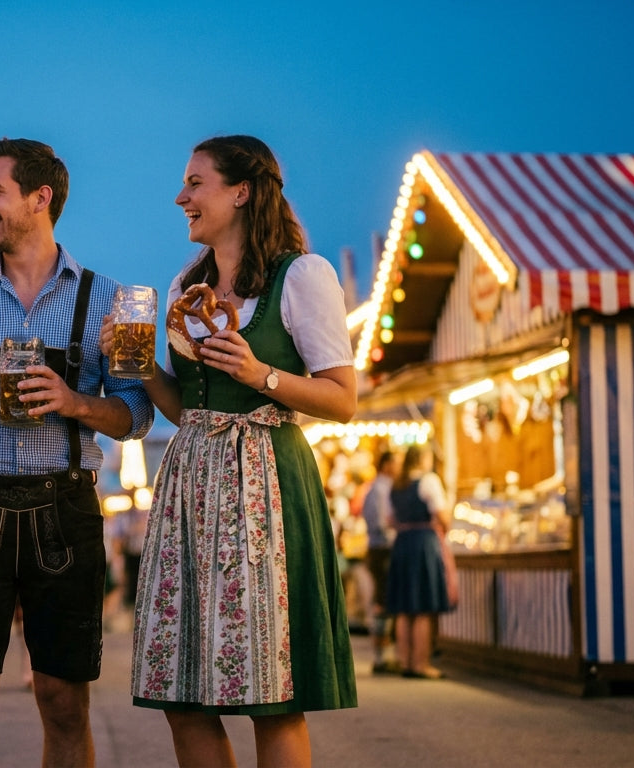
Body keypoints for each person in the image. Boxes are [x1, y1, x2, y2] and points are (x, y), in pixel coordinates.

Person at [0, 137, 154, 767]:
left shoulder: (109, 298)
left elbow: (136, 415)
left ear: (39, 198)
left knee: (64, 702)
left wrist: (75, 403)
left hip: (64, 510)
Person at [120, 135, 357, 768]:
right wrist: (142, 368)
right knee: (182, 691)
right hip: (190, 482)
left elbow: (342, 398)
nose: (182, 197)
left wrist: (262, 376)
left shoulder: (301, 276)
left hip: (267, 485)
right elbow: (184, 407)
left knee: (272, 695)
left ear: (242, 191)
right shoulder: (184, 283)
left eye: (196, 183)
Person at [386, 446, 454, 680]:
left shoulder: (396, 485)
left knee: (404, 608)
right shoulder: (429, 481)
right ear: (424, 459)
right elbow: (443, 517)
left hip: (402, 543)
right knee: (423, 607)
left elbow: (389, 520)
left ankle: (404, 661)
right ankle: (421, 664)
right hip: (423, 543)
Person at [361, 450, 400, 673]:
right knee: (383, 600)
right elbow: (382, 522)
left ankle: (383, 654)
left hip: (379, 548)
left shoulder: (377, 488)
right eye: (395, 462)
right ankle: (381, 656)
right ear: (386, 465)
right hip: (382, 549)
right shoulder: (381, 489)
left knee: (383, 599)